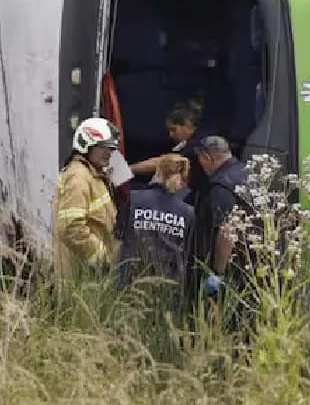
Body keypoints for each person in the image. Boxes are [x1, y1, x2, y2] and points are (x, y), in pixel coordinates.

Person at [114, 154, 195, 291]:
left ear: (158, 172)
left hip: (129, 281)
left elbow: (117, 237)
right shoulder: (188, 213)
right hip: (168, 288)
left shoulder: (133, 199)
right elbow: (188, 253)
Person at [52, 117, 121, 279]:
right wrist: (102, 259)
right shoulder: (79, 177)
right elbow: (71, 228)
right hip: (82, 275)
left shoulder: (93, 174)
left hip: (92, 274)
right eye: (103, 147)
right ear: (86, 145)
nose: (109, 152)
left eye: (111, 147)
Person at [187, 135, 249, 299]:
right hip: (250, 266)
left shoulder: (220, 188)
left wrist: (217, 273)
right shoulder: (246, 172)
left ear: (207, 157)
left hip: (230, 272)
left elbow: (226, 231)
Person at [128, 104, 207, 203]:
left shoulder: (195, 145)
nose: (171, 134)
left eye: (174, 129)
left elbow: (163, 161)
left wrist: (130, 169)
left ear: (187, 125)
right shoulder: (184, 145)